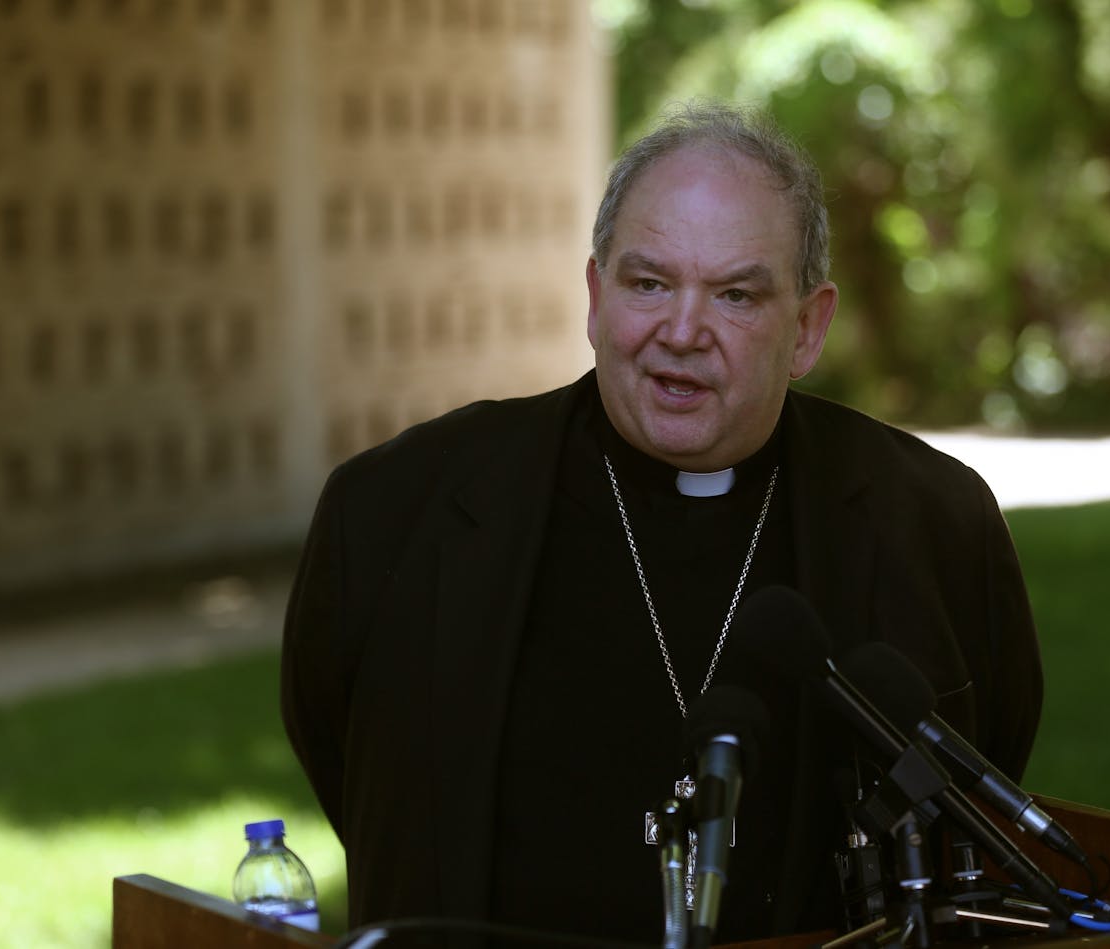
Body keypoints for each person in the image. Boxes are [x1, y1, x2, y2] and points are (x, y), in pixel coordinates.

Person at [281, 102, 1042, 944]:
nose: (682, 332)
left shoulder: (933, 518)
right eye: (649, 283)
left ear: (808, 327)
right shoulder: (394, 510)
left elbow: (984, 771)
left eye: (736, 294)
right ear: (597, 294)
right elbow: (355, 766)